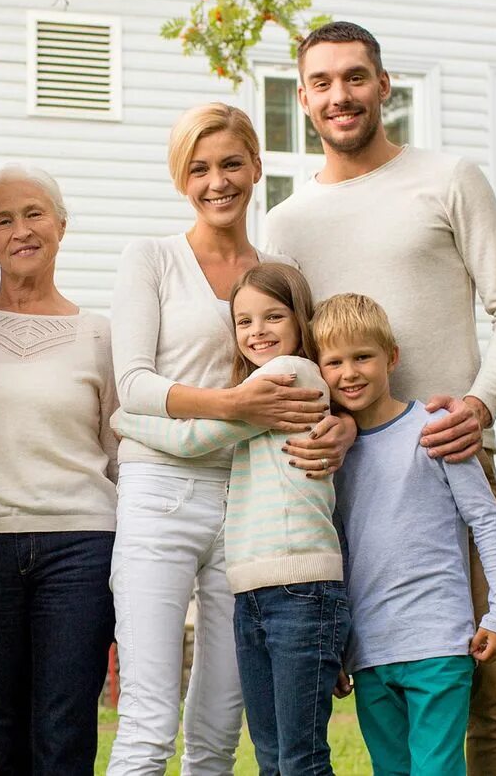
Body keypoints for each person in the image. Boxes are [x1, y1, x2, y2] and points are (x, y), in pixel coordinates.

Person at [263, 21, 496, 775]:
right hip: (352, 480)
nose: (340, 95)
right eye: (322, 82)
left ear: (384, 85)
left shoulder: (448, 178)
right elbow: (284, 354)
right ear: (303, 99)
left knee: (487, 673)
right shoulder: (285, 223)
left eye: (355, 77)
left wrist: (478, 407)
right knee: (382, 673)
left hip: (451, 459)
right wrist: (328, 430)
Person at [108, 103, 352, 776]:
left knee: (219, 726)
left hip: (248, 505)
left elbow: (324, 368)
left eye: (231, 164)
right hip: (159, 493)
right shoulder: (151, 259)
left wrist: (347, 423)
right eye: (200, 168)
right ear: (181, 177)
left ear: (255, 167)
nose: (217, 181)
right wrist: (235, 403)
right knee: (150, 718)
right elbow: (131, 382)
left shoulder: (280, 272)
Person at [0, 162, 118, 775]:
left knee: (64, 725)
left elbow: (120, 455)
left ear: (62, 226)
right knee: (0, 726)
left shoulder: (98, 335)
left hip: (82, 548)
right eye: (3, 219)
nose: (21, 229)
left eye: (34, 213)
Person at [314, 293, 496, 776]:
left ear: (392, 357)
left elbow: (486, 522)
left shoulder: (436, 429)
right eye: (334, 362)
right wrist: (339, 643)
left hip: (439, 643)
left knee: (437, 769)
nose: (350, 373)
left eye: (363, 356)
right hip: (370, 650)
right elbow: (337, 549)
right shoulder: (333, 456)